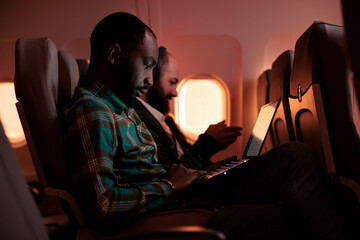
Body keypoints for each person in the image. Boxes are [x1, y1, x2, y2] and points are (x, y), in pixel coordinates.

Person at [63, 12, 355, 239]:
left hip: (179, 196)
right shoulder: (94, 111)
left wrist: (190, 177)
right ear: (114, 56)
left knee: (295, 157)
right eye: (147, 65)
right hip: (165, 211)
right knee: (293, 200)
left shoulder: (120, 106)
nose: (150, 81)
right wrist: (169, 185)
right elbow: (101, 207)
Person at [133, 46, 242, 170]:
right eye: (172, 82)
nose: (175, 93)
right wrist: (207, 143)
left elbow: (185, 160)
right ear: (153, 78)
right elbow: (171, 176)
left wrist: (210, 167)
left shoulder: (166, 121)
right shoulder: (142, 122)